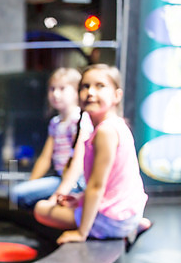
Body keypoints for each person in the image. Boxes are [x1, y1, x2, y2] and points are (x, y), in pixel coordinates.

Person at [34, 64, 151, 246]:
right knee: (67, 204)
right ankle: (134, 224)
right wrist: (79, 199)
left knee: (41, 209)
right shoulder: (115, 125)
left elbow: (97, 186)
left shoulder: (105, 131)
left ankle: (117, 228)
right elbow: (113, 183)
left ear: (117, 95)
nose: (90, 92)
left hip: (112, 220)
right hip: (129, 213)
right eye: (85, 86)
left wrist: (81, 232)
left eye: (100, 86)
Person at [10, 67, 92, 209]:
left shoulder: (80, 119)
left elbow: (78, 161)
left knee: (19, 194)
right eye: (52, 89)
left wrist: (60, 193)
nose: (55, 94)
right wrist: (31, 184)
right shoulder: (55, 122)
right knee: (19, 194)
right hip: (61, 178)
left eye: (62, 88)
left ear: (76, 92)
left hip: (77, 181)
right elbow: (45, 158)